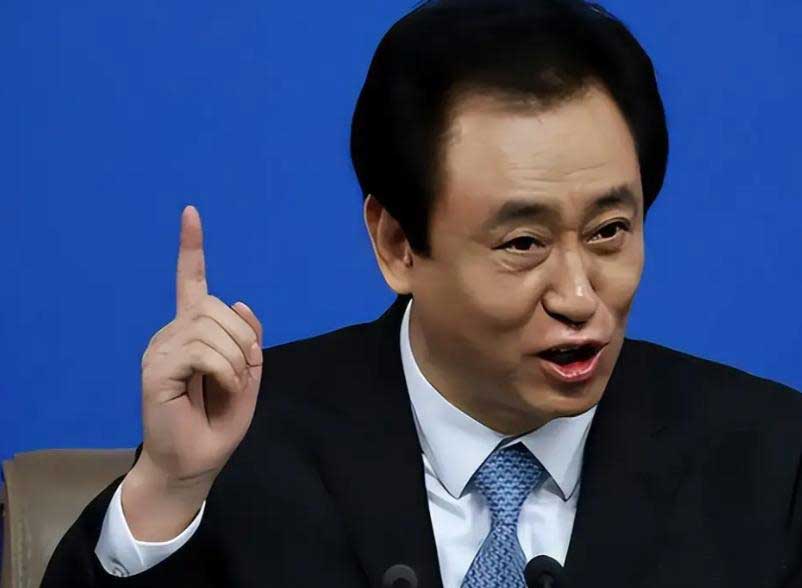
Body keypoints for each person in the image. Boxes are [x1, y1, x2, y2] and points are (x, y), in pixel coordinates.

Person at [42, 0, 802, 586]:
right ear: (398, 244)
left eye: (608, 232)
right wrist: (167, 491)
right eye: (524, 243)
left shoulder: (770, 460)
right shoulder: (246, 450)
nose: (578, 295)